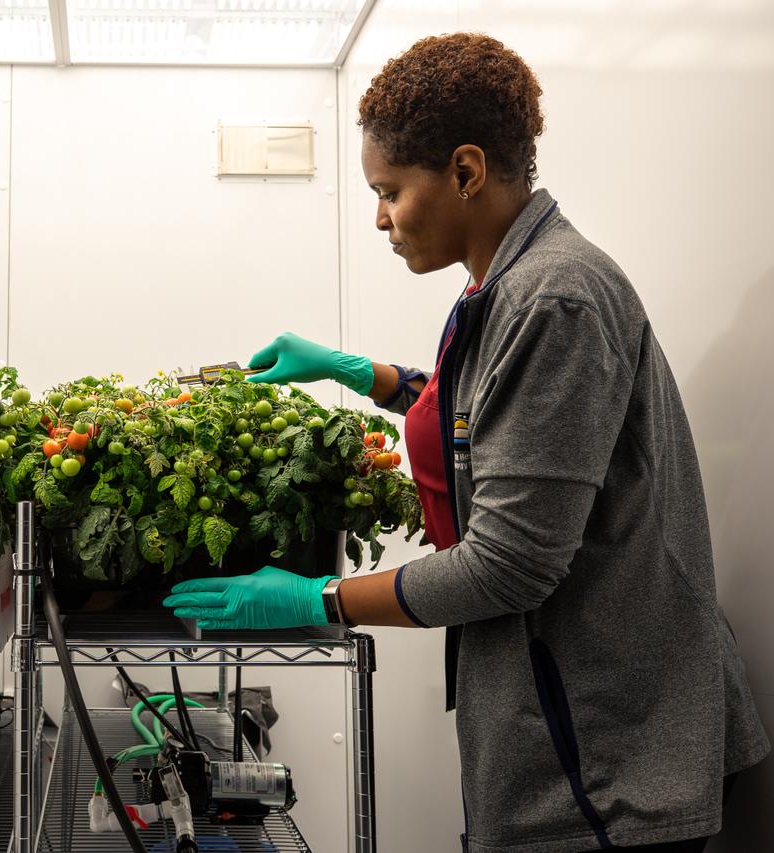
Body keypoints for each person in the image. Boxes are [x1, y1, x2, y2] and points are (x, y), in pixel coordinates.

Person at [163, 33, 769, 853]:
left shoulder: (556, 299)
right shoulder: (511, 286)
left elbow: (511, 561)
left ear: (466, 171)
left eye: (390, 191)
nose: (379, 217)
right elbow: (496, 421)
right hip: (572, 737)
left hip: (608, 766)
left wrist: (322, 600)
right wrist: (362, 373)